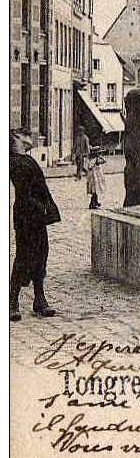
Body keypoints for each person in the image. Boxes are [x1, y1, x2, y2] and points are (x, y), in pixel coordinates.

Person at [10, 132, 60, 320]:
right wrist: (41, 208)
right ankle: (12, 302)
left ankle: (39, 300)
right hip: (27, 216)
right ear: (16, 141)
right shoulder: (17, 162)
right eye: (24, 136)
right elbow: (24, 194)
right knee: (24, 256)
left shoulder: (24, 159)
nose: (30, 138)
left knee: (40, 255)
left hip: (35, 216)